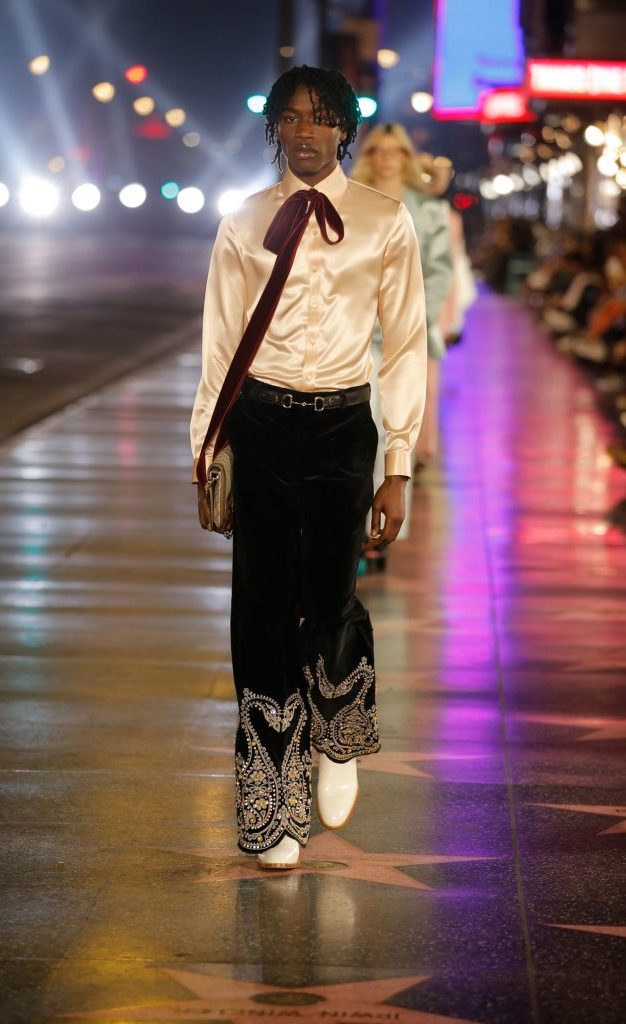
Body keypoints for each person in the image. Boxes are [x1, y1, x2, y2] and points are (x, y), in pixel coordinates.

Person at [190, 66, 427, 870]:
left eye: (321, 117)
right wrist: (205, 450)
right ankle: (273, 807)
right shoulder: (241, 221)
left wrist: (398, 462)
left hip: (343, 429)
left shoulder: (385, 220)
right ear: (273, 129)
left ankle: (337, 732)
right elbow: (219, 345)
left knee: (329, 597)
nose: (304, 131)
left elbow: (404, 345)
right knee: (259, 610)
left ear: (344, 129)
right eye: (290, 117)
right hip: (260, 424)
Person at [352, 125, 453, 479]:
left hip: (409, 329)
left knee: (398, 432)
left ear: (406, 157)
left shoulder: (428, 209)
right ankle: (360, 507)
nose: (386, 159)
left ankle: (392, 508)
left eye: (394, 151)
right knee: (362, 424)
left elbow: (440, 269)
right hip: (359, 330)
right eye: (378, 151)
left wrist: (418, 318)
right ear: (368, 156)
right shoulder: (352, 202)